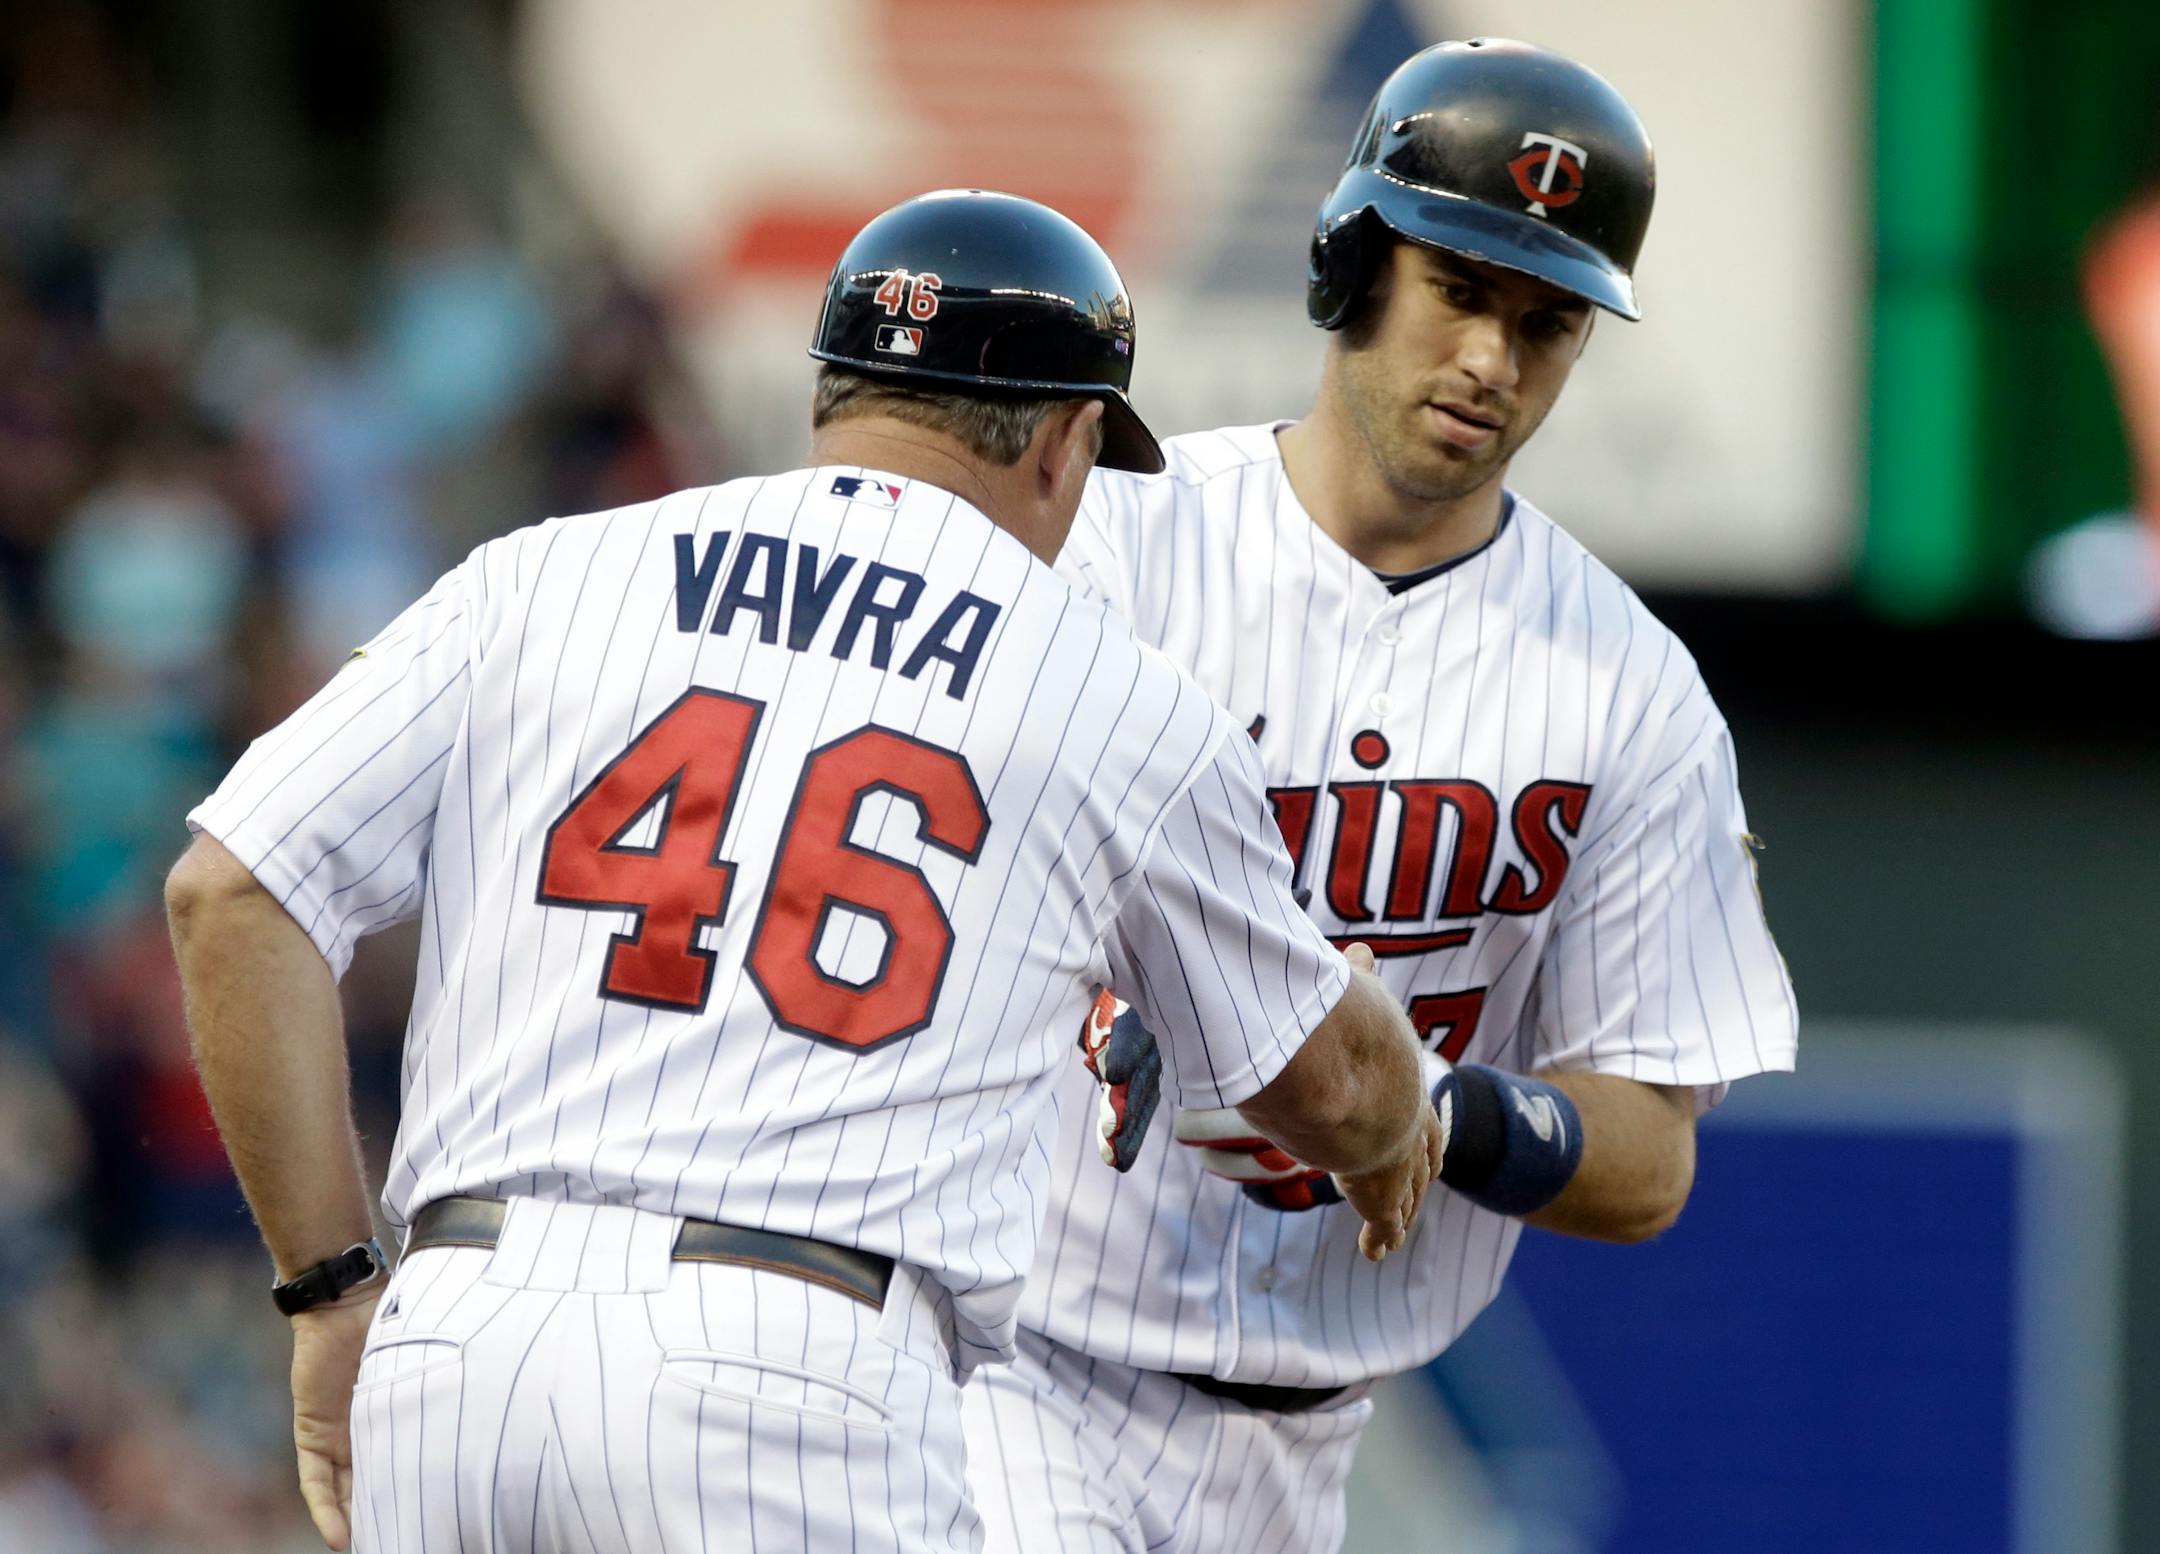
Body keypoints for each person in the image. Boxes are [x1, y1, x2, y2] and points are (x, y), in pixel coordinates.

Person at [163, 189, 1448, 1554]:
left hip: (457, 1331)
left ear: (832, 392)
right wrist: (1395, 1116)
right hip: (789, 1359)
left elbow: (230, 892)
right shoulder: (1106, 690)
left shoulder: (544, 573)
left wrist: (330, 1292)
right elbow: (1330, 1086)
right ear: (1068, 444)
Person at [959, 40, 1802, 1554]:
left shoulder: (1629, 686)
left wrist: (1430, 1110)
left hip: (1317, 1439)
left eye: (1547, 323)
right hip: (1020, 1376)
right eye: (1462, 290)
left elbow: (1654, 1153)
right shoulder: (1112, 552)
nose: (1495, 358)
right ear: (1350, 264)